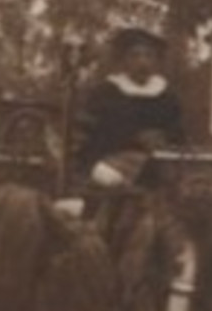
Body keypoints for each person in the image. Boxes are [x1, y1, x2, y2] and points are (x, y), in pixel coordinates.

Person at [73, 27, 185, 190]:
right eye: (135, 56)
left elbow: (178, 132)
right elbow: (91, 136)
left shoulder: (167, 96)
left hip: (160, 162)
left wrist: (164, 139)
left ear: (156, 61)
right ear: (124, 60)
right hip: (111, 161)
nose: (142, 62)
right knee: (115, 181)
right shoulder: (106, 93)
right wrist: (135, 138)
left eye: (149, 56)